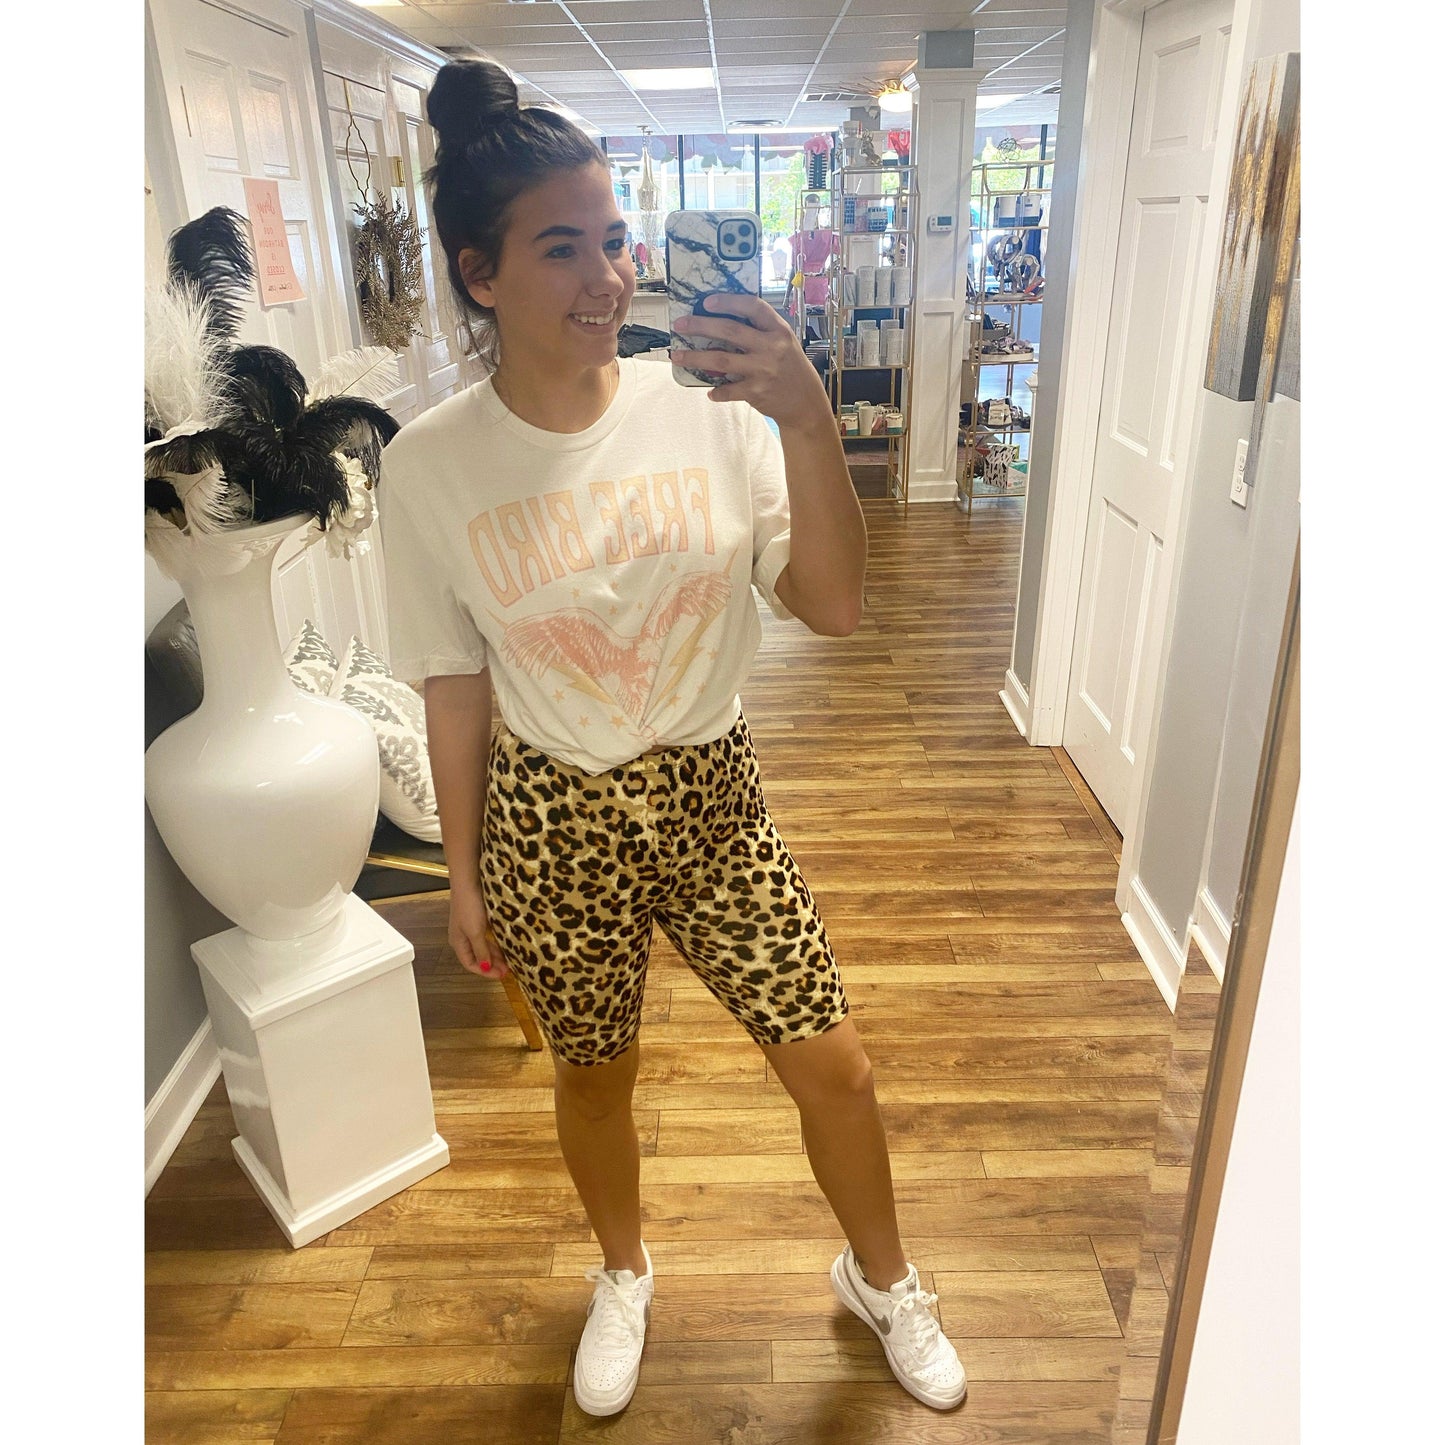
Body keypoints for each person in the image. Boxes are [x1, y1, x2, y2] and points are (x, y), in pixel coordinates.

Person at [379, 58, 967, 1419]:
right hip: (551, 818)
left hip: (713, 798)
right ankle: (624, 1271)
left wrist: (805, 412)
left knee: (834, 1062)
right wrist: (463, 874)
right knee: (594, 1078)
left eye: (615, 237)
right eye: (561, 247)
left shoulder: (707, 404)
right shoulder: (430, 463)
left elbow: (832, 605)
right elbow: (453, 682)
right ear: (480, 275)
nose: (606, 277)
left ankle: (882, 1278)